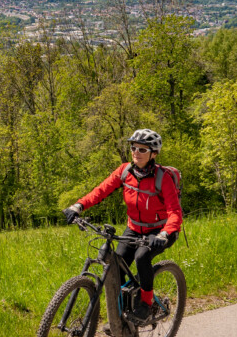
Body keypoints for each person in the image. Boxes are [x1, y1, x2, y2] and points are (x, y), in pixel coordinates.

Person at [63, 129, 183, 325]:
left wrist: (164, 233)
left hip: (160, 231)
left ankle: (146, 304)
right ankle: (121, 319)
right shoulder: (125, 171)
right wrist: (79, 205)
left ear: (154, 153)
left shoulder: (163, 178)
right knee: (116, 270)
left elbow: (175, 212)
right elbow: (101, 190)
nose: (136, 152)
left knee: (142, 257)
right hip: (134, 228)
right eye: (133, 147)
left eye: (142, 149)